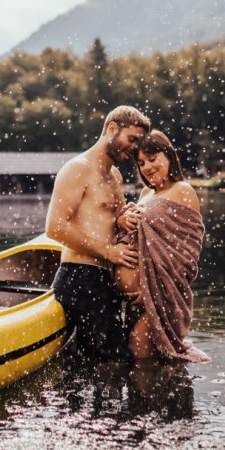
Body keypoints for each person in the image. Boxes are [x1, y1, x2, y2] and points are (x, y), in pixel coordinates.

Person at [45, 105, 151, 361]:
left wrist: (122, 220)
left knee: (106, 362)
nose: (135, 148)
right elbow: (55, 227)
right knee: (114, 361)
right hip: (80, 278)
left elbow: (102, 221)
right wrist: (108, 252)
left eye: (139, 142)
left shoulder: (114, 175)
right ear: (112, 129)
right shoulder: (78, 168)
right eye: (132, 139)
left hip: (105, 279)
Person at [114, 130, 210, 363]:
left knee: (143, 359)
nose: (147, 167)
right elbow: (135, 230)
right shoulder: (147, 192)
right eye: (141, 163)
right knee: (139, 359)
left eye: (153, 158)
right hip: (136, 298)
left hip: (157, 296)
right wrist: (121, 219)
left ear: (168, 156)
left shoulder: (182, 190)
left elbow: (184, 254)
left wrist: (150, 289)